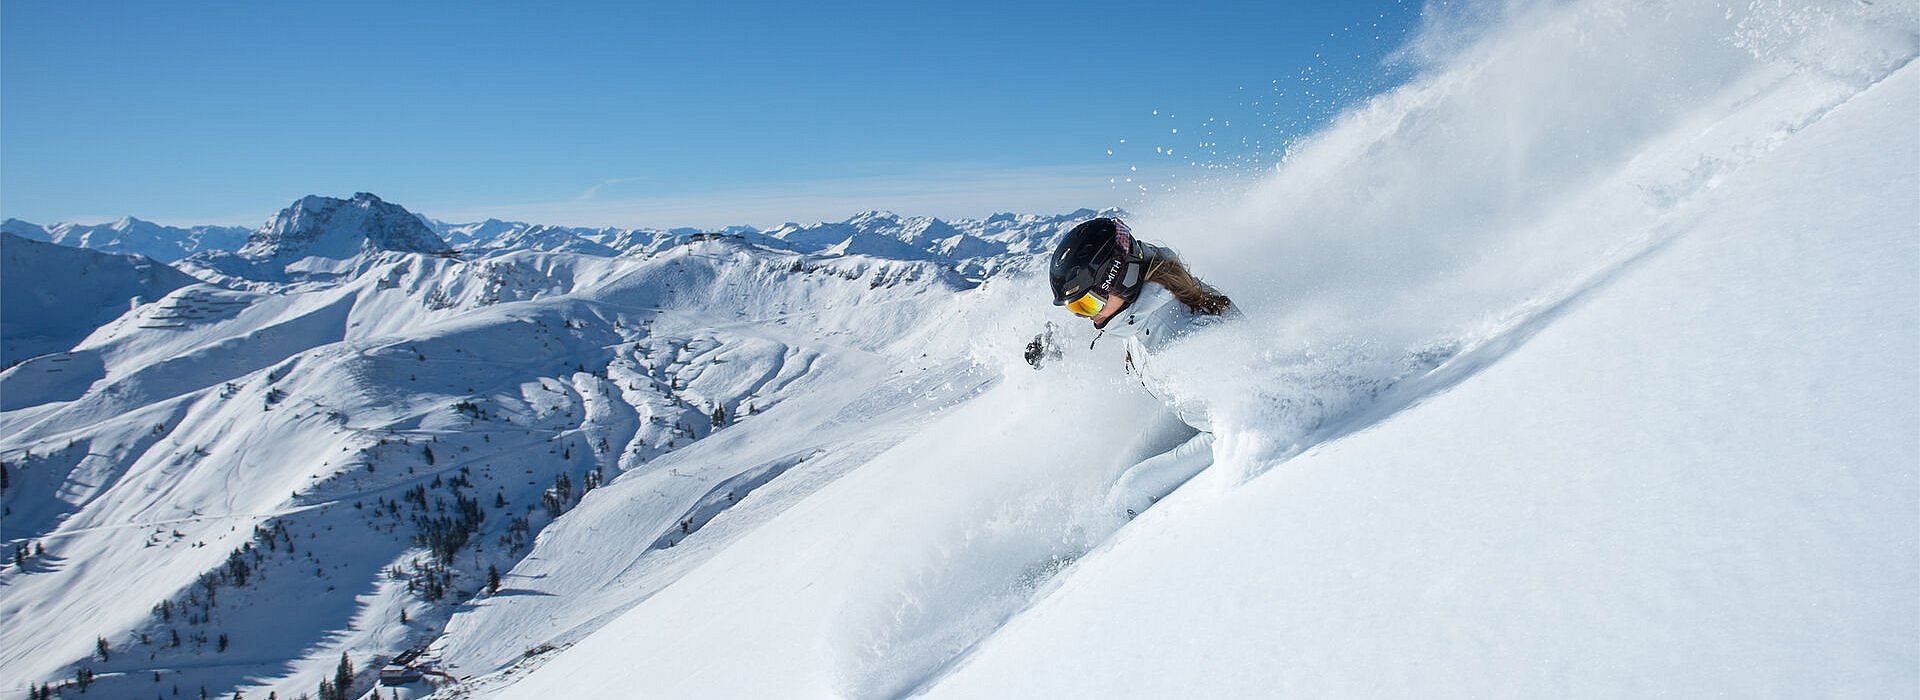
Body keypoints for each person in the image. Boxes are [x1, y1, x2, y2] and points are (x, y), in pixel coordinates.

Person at [1049, 217, 1232, 354]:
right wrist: (1053, 345)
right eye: (1076, 307)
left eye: (1089, 305)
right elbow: (1093, 333)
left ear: (1123, 281)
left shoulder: (1192, 338)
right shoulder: (1134, 311)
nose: (1085, 316)